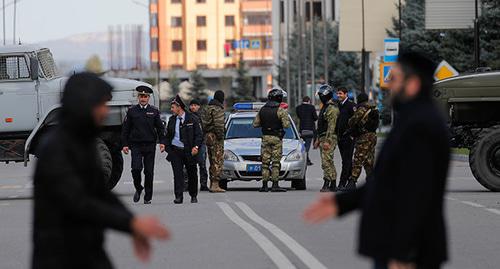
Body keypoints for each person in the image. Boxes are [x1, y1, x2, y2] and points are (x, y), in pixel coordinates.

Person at [304, 51, 450, 269]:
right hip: (394, 245)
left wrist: (405, 252)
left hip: (407, 252)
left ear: (413, 84)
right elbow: (386, 182)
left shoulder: (422, 125)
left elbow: (418, 193)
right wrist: (342, 203)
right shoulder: (411, 119)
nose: (389, 83)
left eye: (395, 78)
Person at [32, 73, 170, 269]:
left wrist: (133, 222)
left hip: (88, 251)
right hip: (59, 256)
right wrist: (131, 225)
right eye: (101, 105)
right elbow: (79, 201)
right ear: (84, 105)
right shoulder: (56, 147)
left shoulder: (83, 143)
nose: (105, 112)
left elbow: (99, 192)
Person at [121, 86, 166, 204]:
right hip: (136, 145)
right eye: (141, 96)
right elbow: (126, 129)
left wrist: (162, 142)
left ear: (149, 98)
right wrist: (125, 144)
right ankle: (138, 187)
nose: (143, 98)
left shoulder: (154, 111)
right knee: (136, 169)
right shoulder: (132, 111)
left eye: (145, 96)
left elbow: (160, 128)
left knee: (149, 172)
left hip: (150, 145)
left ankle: (148, 196)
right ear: (138, 97)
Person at [165, 95, 203, 204]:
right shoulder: (172, 120)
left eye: (173, 107)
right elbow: (167, 136)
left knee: (192, 174)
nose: (171, 110)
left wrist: (196, 147)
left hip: (189, 151)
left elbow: (199, 135)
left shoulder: (192, 118)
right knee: (177, 175)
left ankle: (193, 195)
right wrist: (168, 149)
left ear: (179, 107)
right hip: (176, 151)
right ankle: (178, 196)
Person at [253, 88, 291, 192]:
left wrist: (265, 123)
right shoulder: (280, 110)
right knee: (275, 162)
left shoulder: (262, 110)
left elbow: (255, 124)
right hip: (276, 138)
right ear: (279, 98)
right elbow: (286, 125)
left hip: (265, 138)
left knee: (265, 162)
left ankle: (264, 185)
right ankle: (275, 185)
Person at [341, 92, 378, 190]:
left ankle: (352, 182)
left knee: (358, 159)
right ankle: (371, 181)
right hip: (372, 136)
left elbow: (352, 121)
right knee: (369, 159)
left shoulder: (362, 109)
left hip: (364, 137)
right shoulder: (373, 108)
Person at [314, 84, 340, 192]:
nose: (320, 98)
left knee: (327, 161)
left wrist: (327, 141)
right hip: (323, 137)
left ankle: (329, 182)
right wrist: (318, 139)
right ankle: (331, 183)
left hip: (329, 138)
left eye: (321, 95)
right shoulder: (325, 107)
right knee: (326, 161)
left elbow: (331, 126)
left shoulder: (332, 108)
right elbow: (321, 125)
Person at [201, 90, 227, 193]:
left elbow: (203, 123)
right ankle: (215, 184)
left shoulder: (207, 108)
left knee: (212, 160)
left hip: (208, 136)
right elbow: (219, 125)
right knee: (217, 160)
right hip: (216, 137)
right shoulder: (217, 109)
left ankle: (212, 183)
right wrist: (221, 136)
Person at [334, 87, 355, 189]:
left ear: (346, 94)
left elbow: (356, 121)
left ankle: (342, 183)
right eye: (337, 94)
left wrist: (351, 134)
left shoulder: (350, 105)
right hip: (340, 138)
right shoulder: (339, 106)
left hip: (348, 138)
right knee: (346, 161)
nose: (338, 95)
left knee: (346, 161)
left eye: (340, 94)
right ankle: (351, 182)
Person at [189, 99, 209, 191]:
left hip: (201, 144)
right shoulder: (187, 116)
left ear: (199, 106)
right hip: (189, 144)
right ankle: (187, 184)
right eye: (191, 105)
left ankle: (203, 184)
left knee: (202, 165)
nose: (193, 107)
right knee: (188, 165)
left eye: (195, 105)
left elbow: (206, 129)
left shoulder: (202, 117)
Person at [296, 96, 318, 166]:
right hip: (310, 130)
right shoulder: (311, 107)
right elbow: (315, 118)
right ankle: (305, 160)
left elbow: (299, 117)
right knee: (307, 146)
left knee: (303, 146)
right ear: (309, 101)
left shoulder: (298, 108)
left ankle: (307, 160)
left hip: (302, 130)